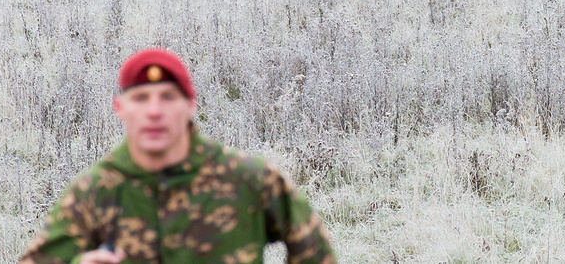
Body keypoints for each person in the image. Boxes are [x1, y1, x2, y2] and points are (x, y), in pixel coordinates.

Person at [18, 48, 335, 263]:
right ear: (120, 109)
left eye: (168, 97)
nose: (154, 112)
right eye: (141, 98)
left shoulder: (248, 179)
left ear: (190, 105)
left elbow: (316, 253)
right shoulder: (96, 191)